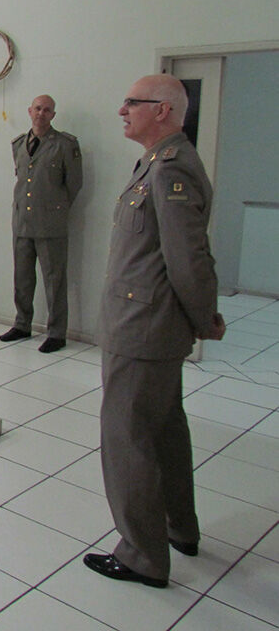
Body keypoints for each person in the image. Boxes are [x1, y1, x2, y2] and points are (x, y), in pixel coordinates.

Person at [83, 75, 225, 589]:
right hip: (146, 322)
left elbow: (188, 259)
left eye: (132, 103)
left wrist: (204, 316)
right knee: (164, 431)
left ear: (162, 110)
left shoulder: (170, 171)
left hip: (143, 328)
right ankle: (177, 528)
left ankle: (143, 555)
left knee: (128, 437)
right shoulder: (156, 162)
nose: (122, 109)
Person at [0, 95, 83, 353]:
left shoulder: (65, 145)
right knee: (22, 277)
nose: (41, 114)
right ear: (29, 111)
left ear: (53, 115)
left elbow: (74, 184)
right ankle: (22, 323)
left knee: (54, 280)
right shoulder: (19, 144)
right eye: (37, 108)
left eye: (47, 110)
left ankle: (56, 332)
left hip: (50, 224)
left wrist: (54, 209)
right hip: (22, 221)